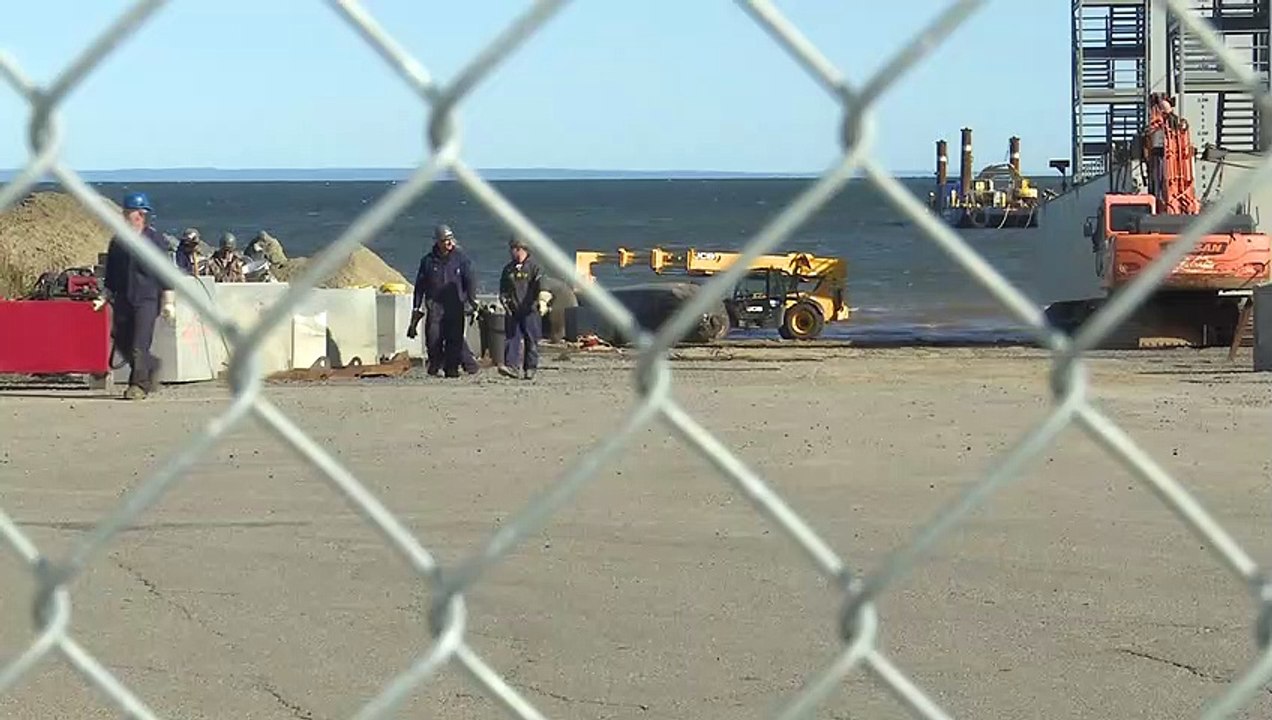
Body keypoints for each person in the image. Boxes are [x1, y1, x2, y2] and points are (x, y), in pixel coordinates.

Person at [102, 191, 175, 400]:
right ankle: (151, 366)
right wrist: (105, 293)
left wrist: (169, 300)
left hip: (147, 298)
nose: (128, 217)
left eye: (132, 213)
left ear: (142, 215)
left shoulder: (155, 241)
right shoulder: (118, 241)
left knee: (139, 344)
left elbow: (165, 271)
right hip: (123, 297)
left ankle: (138, 386)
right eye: (125, 213)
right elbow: (112, 271)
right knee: (122, 341)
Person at [407, 223, 479, 377]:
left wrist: (471, 301)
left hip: (455, 305)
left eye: (451, 239)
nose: (449, 243)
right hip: (435, 306)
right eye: (445, 240)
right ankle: (436, 364)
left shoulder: (461, 259)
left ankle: (452, 369)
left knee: (455, 339)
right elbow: (420, 286)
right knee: (433, 339)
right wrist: (416, 307)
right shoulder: (427, 261)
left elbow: (470, 281)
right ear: (438, 242)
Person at [497, 234, 544, 380]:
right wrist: (505, 301)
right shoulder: (508, 269)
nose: (512, 252)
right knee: (512, 339)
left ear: (521, 249)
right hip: (513, 310)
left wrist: (539, 302)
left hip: (530, 310)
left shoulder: (534, 268)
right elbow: (503, 288)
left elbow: (541, 285)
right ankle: (512, 367)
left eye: (514, 249)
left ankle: (530, 368)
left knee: (531, 340)